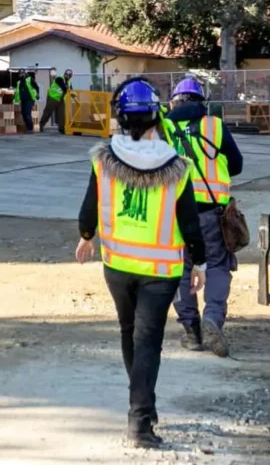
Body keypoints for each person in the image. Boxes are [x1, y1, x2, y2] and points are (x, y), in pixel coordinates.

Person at [78, 78, 207, 449]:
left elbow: (88, 212)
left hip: (117, 266)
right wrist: (197, 262)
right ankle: (140, 422)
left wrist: (87, 237)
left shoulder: (103, 159)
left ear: (120, 118)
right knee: (148, 341)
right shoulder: (177, 167)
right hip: (161, 272)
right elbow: (190, 222)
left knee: (128, 333)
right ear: (156, 119)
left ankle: (143, 409)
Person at [164, 76, 244, 357]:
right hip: (212, 212)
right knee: (218, 265)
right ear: (202, 102)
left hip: (172, 213)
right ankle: (212, 318)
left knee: (179, 269)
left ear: (174, 101)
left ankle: (192, 331)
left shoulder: (164, 128)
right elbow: (236, 165)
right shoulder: (215, 126)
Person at [41, 69, 69, 133]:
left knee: (62, 114)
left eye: (69, 75)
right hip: (53, 97)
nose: (67, 76)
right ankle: (41, 124)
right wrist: (67, 87)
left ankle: (61, 128)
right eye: (66, 75)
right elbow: (64, 88)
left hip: (61, 99)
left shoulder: (68, 82)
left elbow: (70, 90)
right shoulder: (59, 78)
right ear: (64, 74)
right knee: (48, 112)